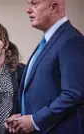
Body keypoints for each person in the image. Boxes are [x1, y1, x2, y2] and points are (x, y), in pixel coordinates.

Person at [5, 0, 84, 134]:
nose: (28, 10)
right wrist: (20, 115)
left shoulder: (71, 40)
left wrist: (36, 120)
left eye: (34, 4)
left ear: (53, 7)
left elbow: (73, 94)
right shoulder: (48, 41)